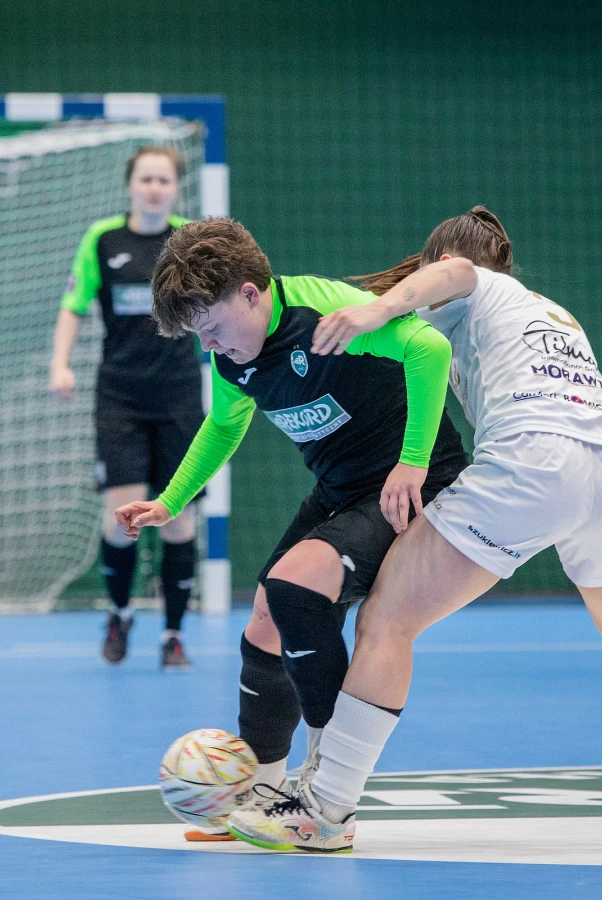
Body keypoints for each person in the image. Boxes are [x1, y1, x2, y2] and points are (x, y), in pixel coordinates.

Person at [225, 207, 602, 853]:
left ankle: (327, 807)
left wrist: (375, 310)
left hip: (533, 462)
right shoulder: (551, 313)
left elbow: (455, 273)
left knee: (386, 623)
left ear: (441, 264)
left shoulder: (476, 284)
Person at [115, 218, 469, 840]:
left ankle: (327, 793)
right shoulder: (233, 359)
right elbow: (224, 426)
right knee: (265, 617)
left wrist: (413, 460)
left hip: (412, 484)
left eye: (212, 327)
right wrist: (171, 502)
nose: (209, 346)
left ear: (250, 293)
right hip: (341, 489)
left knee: (295, 588)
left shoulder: (323, 313)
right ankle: (259, 795)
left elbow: (428, 349)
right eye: (198, 336)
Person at [49, 147, 202, 669]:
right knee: (122, 518)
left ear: (175, 187)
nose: (154, 188)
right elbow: (73, 305)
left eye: (163, 180)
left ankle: (173, 635)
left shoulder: (190, 241)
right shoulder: (103, 239)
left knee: (178, 520)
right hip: (120, 396)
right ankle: (119, 614)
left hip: (179, 394)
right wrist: (60, 363)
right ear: (130, 185)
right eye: (146, 179)